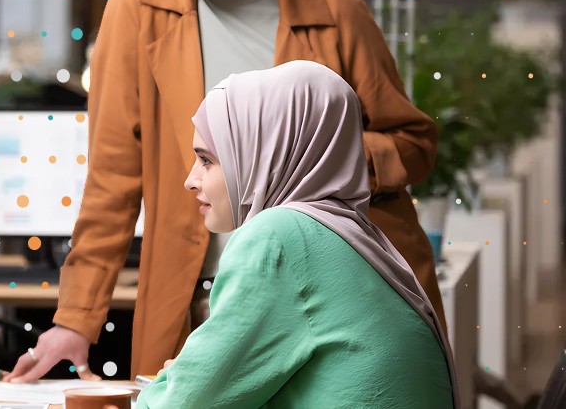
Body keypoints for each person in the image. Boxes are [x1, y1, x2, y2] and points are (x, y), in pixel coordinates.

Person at [7, 0, 442, 381]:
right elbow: (113, 174)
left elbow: (413, 143)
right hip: (203, 302)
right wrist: (76, 317)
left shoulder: (332, 5)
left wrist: (321, 163)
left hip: (332, 298)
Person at [136, 61, 455, 408]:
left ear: (262, 153)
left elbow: (182, 403)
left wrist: (174, 378)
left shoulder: (278, 237)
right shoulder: (356, 237)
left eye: (207, 159)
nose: (190, 180)